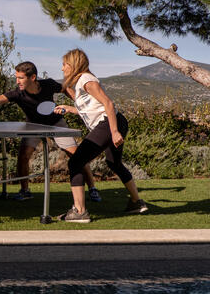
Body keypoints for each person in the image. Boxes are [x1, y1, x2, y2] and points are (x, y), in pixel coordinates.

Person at [0, 61, 101, 201]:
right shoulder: (17, 94)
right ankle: (25, 191)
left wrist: (79, 103)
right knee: (23, 156)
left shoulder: (48, 84)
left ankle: (92, 188)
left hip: (56, 123)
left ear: (32, 77)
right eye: (16, 77)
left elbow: (65, 88)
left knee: (77, 155)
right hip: (33, 127)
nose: (17, 81)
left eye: (21, 78)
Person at [54, 48, 149, 222]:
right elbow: (92, 109)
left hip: (109, 124)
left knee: (76, 162)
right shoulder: (82, 81)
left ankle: (80, 211)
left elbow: (108, 104)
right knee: (114, 162)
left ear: (73, 64)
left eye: (64, 64)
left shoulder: (86, 80)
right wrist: (70, 109)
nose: (62, 68)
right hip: (113, 122)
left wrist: (114, 131)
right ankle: (136, 202)